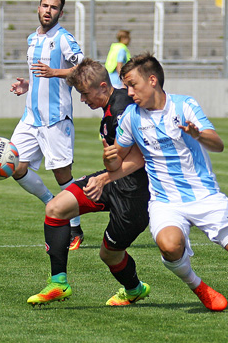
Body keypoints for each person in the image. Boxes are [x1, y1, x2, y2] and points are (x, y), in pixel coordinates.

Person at [94, 52, 228, 314]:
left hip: (205, 196)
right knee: (169, 245)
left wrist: (198, 135)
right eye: (126, 85)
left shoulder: (184, 105)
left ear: (152, 80)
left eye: (132, 84)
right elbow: (119, 161)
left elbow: (217, 144)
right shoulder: (131, 117)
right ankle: (199, 287)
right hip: (165, 201)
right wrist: (109, 160)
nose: (128, 92)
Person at [27, 59, 152, 306]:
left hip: (136, 195)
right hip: (112, 182)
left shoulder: (124, 111)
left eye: (85, 94)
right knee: (55, 208)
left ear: (103, 87)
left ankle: (135, 289)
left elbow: (143, 156)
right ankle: (58, 284)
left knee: (109, 255)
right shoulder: (110, 107)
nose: (83, 100)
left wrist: (106, 175)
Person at [9, 0, 84, 250]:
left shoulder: (64, 39)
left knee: (63, 175)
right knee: (14, 166)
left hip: (55, 119)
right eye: (44, 5)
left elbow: (84, 70)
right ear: (38, 8)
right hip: (30, 118)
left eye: (53, 7)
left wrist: (55, 71)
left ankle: (75, 228)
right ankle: (51, 202)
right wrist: (28, 85)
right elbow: (41, 75)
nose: (48, 10)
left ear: (60, 13)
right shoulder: (32, 38)